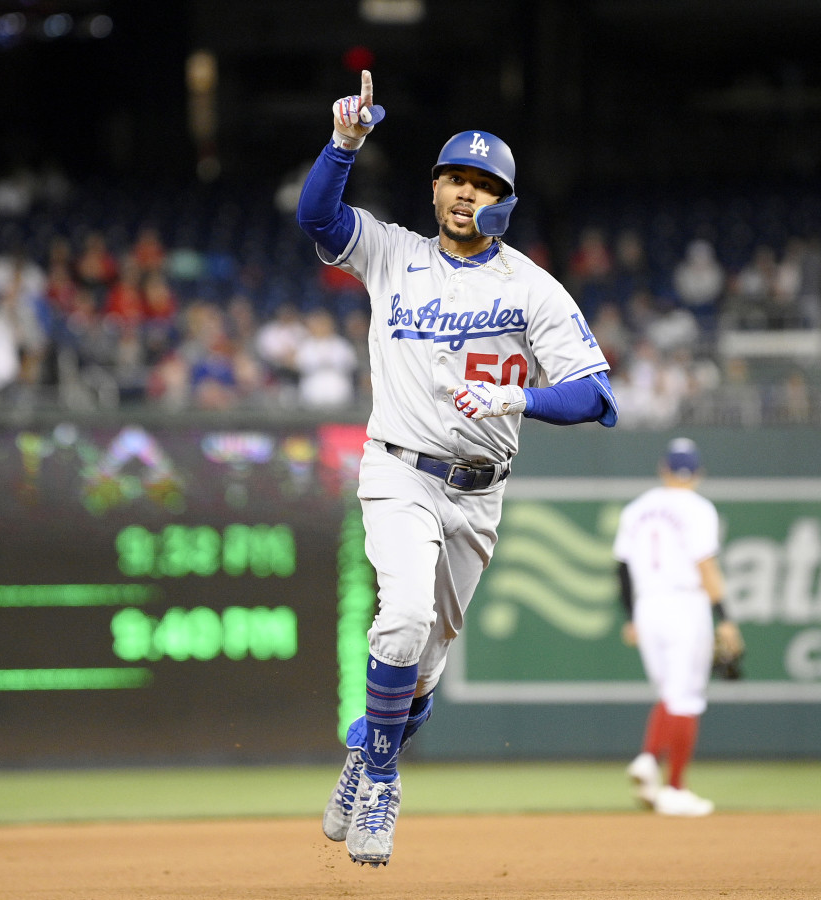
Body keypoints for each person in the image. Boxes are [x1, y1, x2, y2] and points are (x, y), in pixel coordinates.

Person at [296, 70, 618, 866]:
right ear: (434, 189)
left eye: (482, 184)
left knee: (421, 683)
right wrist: (343, 146)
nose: (465, 194)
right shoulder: (394, 255)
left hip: (478, 495)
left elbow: (596, 397)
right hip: (399, 470)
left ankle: (365, 751)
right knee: (400, 619)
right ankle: (381, 781)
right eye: (454, 179)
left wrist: (518, 404)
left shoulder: (529, 288)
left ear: (503, 200)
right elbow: (318, 219)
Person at [612, 438, 742, 817]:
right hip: (686, 603)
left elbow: (621, 568)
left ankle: (651, 767)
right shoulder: (699, 508)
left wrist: (631, 617)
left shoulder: (637, 509)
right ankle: (671, 784)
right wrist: (726, 617)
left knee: (670, 693)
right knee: (686, 698)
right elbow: (705, 566)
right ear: (698, 473)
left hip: (649, 606)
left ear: (663, 469)